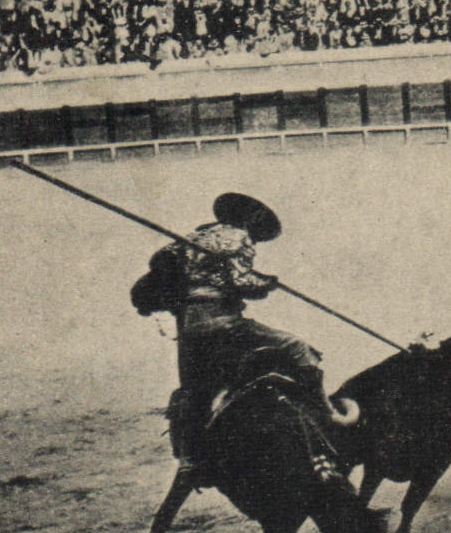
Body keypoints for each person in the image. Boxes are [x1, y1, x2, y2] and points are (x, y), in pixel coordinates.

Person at [133, 193, 356, 485]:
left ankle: (190, 457)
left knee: (193, 390)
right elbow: (242, 282)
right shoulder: (240, 237)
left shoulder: (193, 236)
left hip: (189, 328)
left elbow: (158, 264)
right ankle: (328, 417)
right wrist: (267, 282)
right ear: (251, 221)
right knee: (298, 348)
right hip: (226, 322)